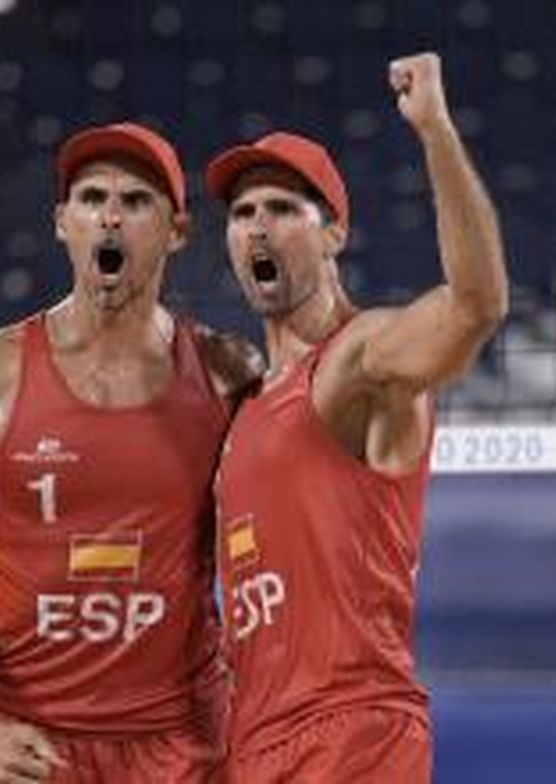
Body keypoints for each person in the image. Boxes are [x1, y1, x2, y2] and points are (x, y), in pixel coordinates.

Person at [0, 122, 262, 783]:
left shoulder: (229, 374)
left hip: (184, 746)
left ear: (177, 231)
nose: (110, 216)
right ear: (63, 223)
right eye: (92, 198)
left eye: (136, 200)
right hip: (28, 745)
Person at [202, 52, 508, 783]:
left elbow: (477, 306)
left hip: (353, 733)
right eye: (242, 213)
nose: (258, 227)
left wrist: (434, 130)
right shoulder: (241, 405)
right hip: (253, 745)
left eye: (283, 209)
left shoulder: (362, 357)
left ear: (334, 233)